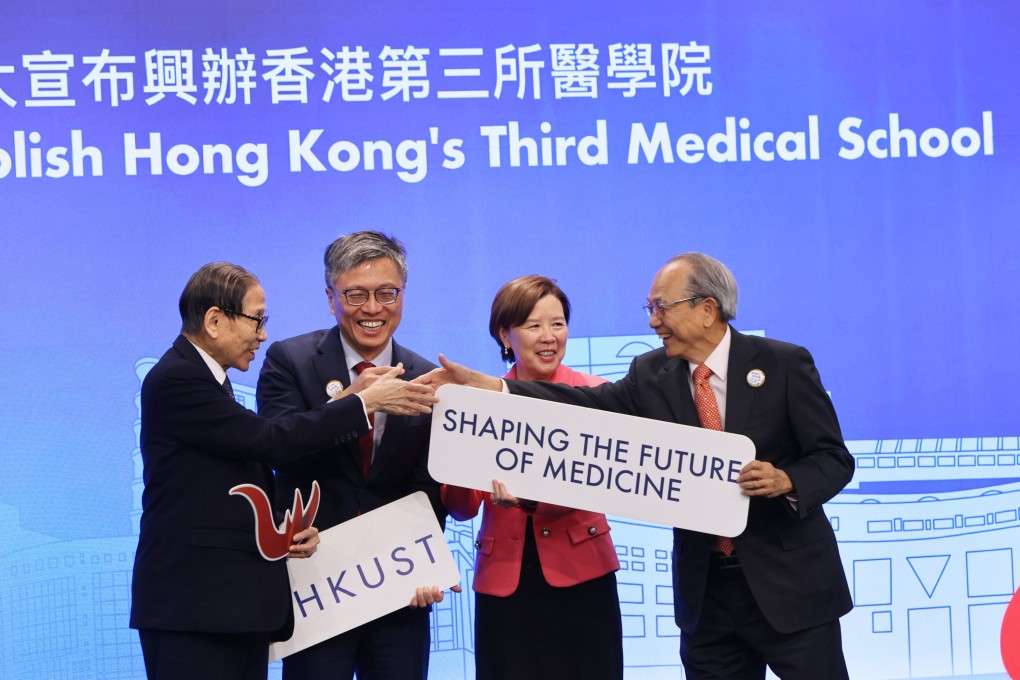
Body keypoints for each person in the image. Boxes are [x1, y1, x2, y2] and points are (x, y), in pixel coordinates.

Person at [421, 253, 855, 680]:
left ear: (707, 309)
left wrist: (787, 480)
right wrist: (489, 387)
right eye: (650, 308)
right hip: (707, 597)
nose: (653, 321)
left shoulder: (782, 363)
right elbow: (584, 406)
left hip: (791, 589)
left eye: (661, 307)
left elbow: (833, 458)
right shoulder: (651, 373)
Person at [130, 262, 436, 680]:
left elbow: (226, 487)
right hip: (195, 608)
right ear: (215, 321)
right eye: (256, 319)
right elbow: (270, 441)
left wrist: (282, 531)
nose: (262, 334)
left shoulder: (209, 381)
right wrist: (361, 403)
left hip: (232, 608)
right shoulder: (178, 379)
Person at [256, 231, 447, 680]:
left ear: (403, 294)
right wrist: (354, 403)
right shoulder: (289, 360)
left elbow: (430, 487)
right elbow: (280, 448)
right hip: (318, 586)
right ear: (331, 299)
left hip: (400, 590)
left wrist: (429, 564)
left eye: (387, 293)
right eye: (356, 295)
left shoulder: (425, 376)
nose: (373, 308)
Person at [441, 275, 624, 680]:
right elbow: (461, 509)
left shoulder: (596, 394)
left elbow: (598, 485)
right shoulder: (480, 402)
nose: (549, 337)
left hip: (582, 574)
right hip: (505, 579)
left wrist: (529, 499)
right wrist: (458, 450)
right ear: (504, 335)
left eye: (558, 324)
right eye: (533, 325)